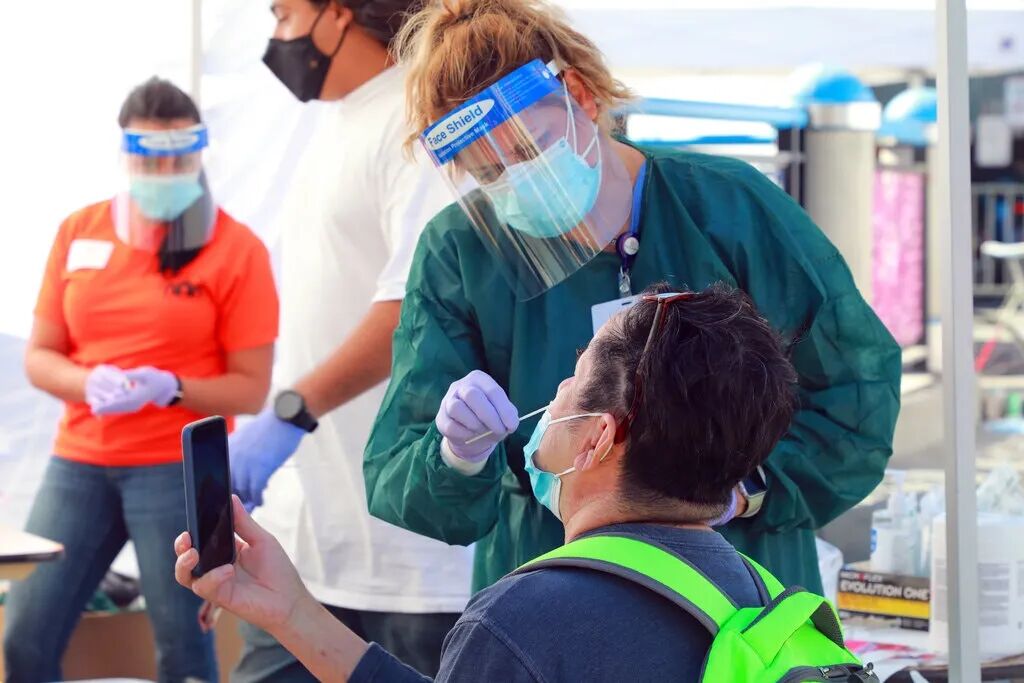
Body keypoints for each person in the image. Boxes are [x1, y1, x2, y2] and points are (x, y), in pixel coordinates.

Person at [363, 0, 902, 596]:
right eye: (490, 175)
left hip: (733, 579)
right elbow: (399, 469)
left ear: (580, 97)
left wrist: (743, 492)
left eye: (530, 150)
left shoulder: (728, 207)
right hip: (558, 584)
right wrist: (458, 455)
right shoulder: (463, 250)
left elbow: (856, 390)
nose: (519, 182)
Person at [174, 284, 851, 682]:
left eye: (572, 378)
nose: (553, 396)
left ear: (597, 437)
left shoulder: (523, 624)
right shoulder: (758, 597)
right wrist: (292, 613)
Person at [225, 0, 473, 679]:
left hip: (409, 554)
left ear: (336, 15)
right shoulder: (339, 122)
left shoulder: (416, 121)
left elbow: (415, 309)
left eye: (283, 14)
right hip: (317, 535)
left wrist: (292, 409)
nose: (276, 35)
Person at [2, 78, 278, 683]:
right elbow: (40, 356)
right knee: (25, 632)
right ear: (126, 153)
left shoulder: (236, 249)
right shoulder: (79, 231)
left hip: (176, 468)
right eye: (150, 158)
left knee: (183, 646)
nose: (165, 172)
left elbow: (252, 389)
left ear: (199, 152)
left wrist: (172, 387)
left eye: (178, 157)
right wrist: (86, 382)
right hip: (79, 461)